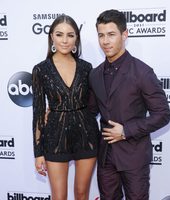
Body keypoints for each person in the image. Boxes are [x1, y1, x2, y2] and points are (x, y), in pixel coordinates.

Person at [89, 9, 170, 200]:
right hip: (106, 157)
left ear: (124, 35)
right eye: (101, 35)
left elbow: (163, 114)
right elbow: (91, 111)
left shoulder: (142, 72)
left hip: (134, 157)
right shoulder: (95, 74)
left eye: (111, 34)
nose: (105, 41)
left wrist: (126, 130)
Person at [32, 14, 99, 200]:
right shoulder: (41, 70)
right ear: (51, 36)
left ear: (76, 38)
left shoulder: (87, 67)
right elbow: (38, 112)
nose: (65, 40)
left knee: (81, 193)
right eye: (60, 34)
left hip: (86, 135)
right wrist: (38, 153)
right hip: (54, 138)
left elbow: (95, 103)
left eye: (70, 35)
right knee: (59, 196)